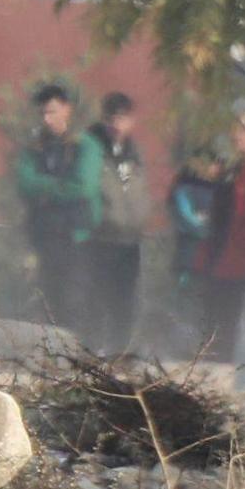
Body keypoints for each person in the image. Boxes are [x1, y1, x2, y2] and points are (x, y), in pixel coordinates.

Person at [7, 83, 101, 337]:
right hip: (44, 234)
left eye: (52, 112)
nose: (47, 119)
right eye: (43, 114)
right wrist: (60, 185)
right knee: (48, 295)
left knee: (75, 297)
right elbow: (25, 182)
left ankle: (79, 351)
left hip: (76, 235)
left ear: (67, 110)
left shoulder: (85, 146)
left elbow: (84, 187)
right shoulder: (35, 149)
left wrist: (46, 188)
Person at [184, 112, 245, 359]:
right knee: (214, 301)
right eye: (235, 130)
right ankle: (211, 351)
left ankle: (224, 354)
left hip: (241, 251)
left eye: (243, 130)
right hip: (223, 246)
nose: (236, 135)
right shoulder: (236, 166)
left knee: (229, 305)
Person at [86, 91, 150, 354]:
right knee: (99, 297)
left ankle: (120, 350)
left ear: (131, 120)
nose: (117, 124)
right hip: (101, 238)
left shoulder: (134, 152)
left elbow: (140, 190)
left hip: (130, 239)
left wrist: (142, 217)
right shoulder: (93, 148)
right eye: (112, 118)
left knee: (125, 299)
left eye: (122, 118)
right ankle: (94, 349)